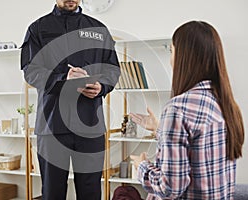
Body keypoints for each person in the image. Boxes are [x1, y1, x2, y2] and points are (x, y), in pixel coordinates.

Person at [130, 21, 244, 199]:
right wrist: (160, 129)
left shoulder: (177, 109)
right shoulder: (225, 104)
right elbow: (198, 150)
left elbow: (170, 188)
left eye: (171, 51)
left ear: (184, 57)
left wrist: (142, 166)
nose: (170, 59)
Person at [20, 0, 120, 199]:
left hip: (90, 125)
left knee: (91, 191)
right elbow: (31, 70)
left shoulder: (99, 29)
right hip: (52, 126)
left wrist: (102, 87)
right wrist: (63, 79)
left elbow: (112, 68)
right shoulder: (37, 29)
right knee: (52, 191)